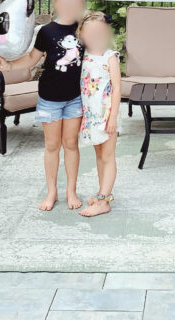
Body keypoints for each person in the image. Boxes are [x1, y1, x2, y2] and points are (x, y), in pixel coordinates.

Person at [0, 0, 85, 211]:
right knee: (53, 145)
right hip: (50, 98)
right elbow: (31, 59)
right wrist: (9, 66)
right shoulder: (46, 31)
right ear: (56, 4)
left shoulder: (83, 30)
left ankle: (71, 191)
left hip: (75, 98)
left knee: (71, 144)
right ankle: (52, 191)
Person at [76, 11, 121, 217]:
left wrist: (112, 118)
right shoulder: (84, 55)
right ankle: (101, 192)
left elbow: (117, 89)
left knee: (108, 156)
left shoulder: (109, 57)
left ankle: (105, 201)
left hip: (106, 115)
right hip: (91, 116)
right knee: (99, 155)